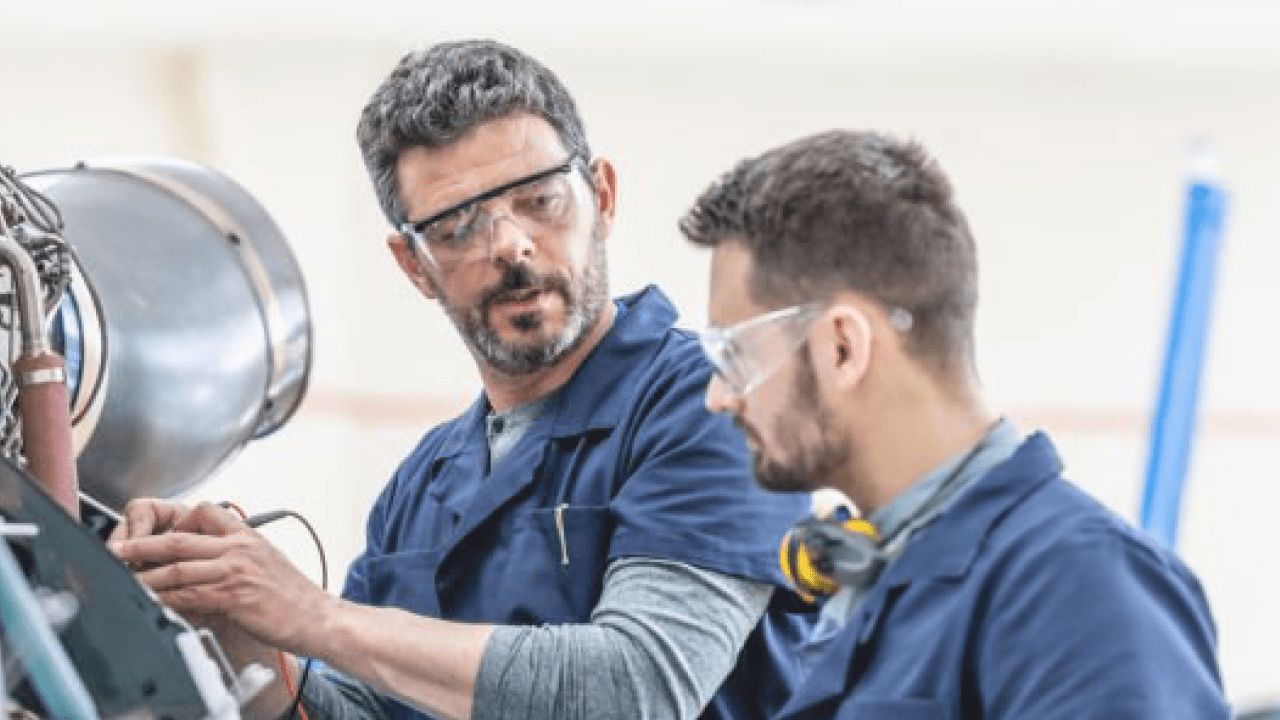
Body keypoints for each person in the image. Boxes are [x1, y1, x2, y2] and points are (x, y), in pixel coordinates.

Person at [109, 40, 813, 720]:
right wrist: (240, 636)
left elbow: (637, 690)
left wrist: (312, 615)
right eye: (456, 227)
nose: (510, 246)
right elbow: (366, 711)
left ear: (602, 196)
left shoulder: (714, 404)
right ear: (414, 265)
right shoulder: (424, 482)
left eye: (540, 200)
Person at [678, 129, 1233, 718]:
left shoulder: (1076, 585)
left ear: (843, 347)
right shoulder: (886, 586)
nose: (719, 397)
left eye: (736, 355)